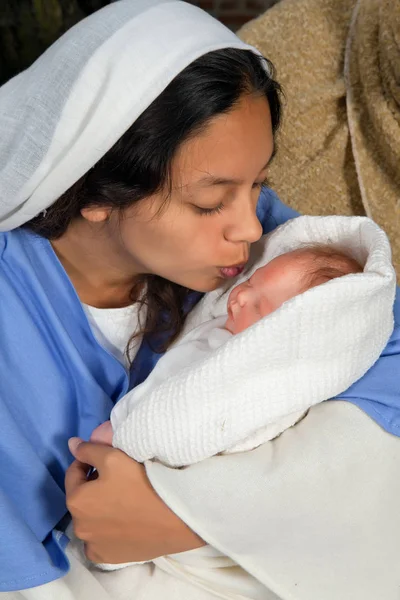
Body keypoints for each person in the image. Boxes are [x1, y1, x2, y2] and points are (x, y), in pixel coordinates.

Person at [0, 2, 399, 599]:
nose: (250, 228)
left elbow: (378, 334)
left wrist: (188, 514)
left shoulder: (256, 242)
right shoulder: (14, 316)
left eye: (259, 184)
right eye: (211, 203)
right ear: (95, 191)